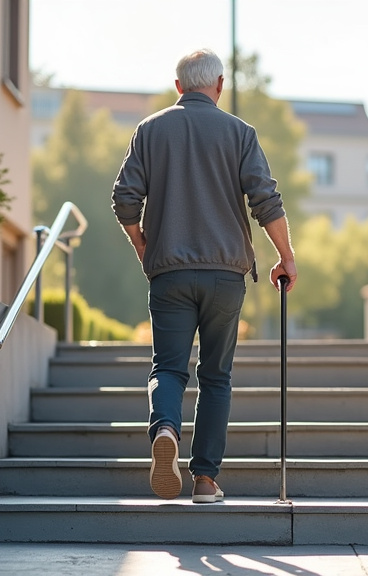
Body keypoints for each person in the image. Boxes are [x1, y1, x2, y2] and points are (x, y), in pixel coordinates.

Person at [111, 48, 297, 503]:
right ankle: (205, 480)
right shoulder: (240, 133)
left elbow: (124, 198)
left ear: (178, 87)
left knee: (168, 367)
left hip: (169, 273)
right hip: (225, 274)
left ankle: (166, 430)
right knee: (215, 376)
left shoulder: (150, 130)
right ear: (219, 85)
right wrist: (286, 256)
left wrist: (142, 244)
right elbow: (265, 200)